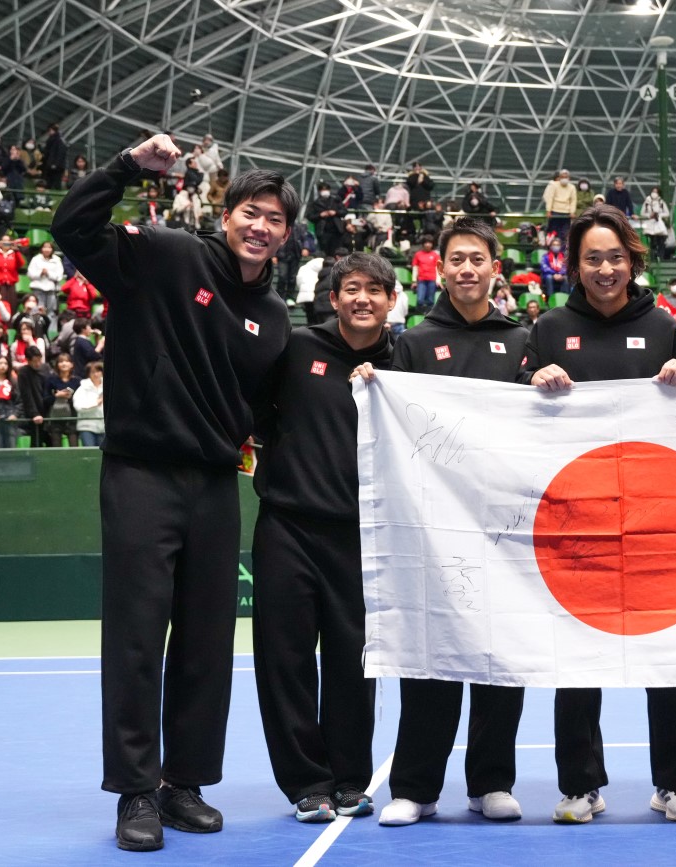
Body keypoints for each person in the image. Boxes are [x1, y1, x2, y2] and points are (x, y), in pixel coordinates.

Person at [52, 133, 296, 851]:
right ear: (227, 216)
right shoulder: (166, 254)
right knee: (135, 637)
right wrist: (127, 168)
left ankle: (183, 783)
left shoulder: (276, 317)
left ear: (286, 234)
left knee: (205, 641)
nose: (260, 227)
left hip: (218, 485)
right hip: (140, 473)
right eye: (250, 212)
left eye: (275, 219)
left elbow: (273, 412)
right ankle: (134, 789)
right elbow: (72, 229)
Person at [518, 204, 676, 824]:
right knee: (577, 662)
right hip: (578, 526)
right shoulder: (546, 328)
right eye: (592, 257)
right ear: (576, 264)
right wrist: (532, 377)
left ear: (633, 261)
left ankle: (675, 784)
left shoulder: (663, 328)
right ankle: (580, 786)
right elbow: (512, 415)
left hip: (655, 525)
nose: (604, 268)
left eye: (615, 257)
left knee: (667, 659)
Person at [359, 219, 530, 827]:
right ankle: (415, 787)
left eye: (476, 259)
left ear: (493, 269)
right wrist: (370, 386)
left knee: (502, 657)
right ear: (440, 269)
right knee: (429, 653)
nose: (465, 268)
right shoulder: (411, 342)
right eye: (455, 258)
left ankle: (491, 783)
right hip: (432, 527)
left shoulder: (521, 340)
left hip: (506, 530)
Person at [249, 253, 395, 825]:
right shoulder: (299, 347)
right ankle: (306, 783)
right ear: (332, 300)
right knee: (284, 659)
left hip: (363, 537)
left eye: (374, 290)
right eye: (351, 289)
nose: (362, 299)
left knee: (353, 663)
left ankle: (351, 780)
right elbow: (259, 412)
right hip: (287, 527)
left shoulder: (402, 362)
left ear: (391, 301)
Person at [16, 345, 53, 447]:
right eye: (34, 361)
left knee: (51, 441)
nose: (37, 364)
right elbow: (26, 395)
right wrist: (34, 413)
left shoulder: (46, 368)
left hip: (47, 410)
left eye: (39, 360)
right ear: (28, 360)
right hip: (34, 413)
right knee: (37, 440)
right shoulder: (24, 372)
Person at [46, 353, 81, 448]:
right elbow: (45, 399)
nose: (64, 364)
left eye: (67, 361)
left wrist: (70, 397)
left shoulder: (77, 381)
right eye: (61, 361)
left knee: (74, 448)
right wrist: (57, 396)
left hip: (72, 418)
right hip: (55, 418)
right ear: (57, 364)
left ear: (72, 364)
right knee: (56, 448)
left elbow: (81, 399)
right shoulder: (51, 380)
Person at [0, 233, 27, 308]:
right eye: (4, 241)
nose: (6, 243)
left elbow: (21, 264)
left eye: (8, 241)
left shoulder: (14, 253)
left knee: (11, 304)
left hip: (10, 285)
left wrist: (16, 251)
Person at [27, 241, 65, 316]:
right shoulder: (36, 259)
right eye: (45, 247)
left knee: (51, 312)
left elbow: (59, 276)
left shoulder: (57, 260)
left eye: (49, 247)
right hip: (38, 289)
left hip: (52, 290)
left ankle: (51, 327)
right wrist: (40, 273)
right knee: (38, 310)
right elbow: (30, 274)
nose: (47, 249)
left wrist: (48, 273)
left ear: (52, 249)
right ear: (41, 249)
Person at [72, 360, 105, 447]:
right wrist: (95, 403)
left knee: (102, 455)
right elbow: (78, 406)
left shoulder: (108, 386)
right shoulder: (82, 388)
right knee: (89, 454)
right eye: (92, 372)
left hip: (104, 427)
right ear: (88, 374)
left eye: (98, 371)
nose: (96, 374)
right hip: (86, 427)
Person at [640, 187, 671, 261]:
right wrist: (649, 215)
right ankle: (652, 258)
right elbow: (642, 213)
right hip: (649, 225)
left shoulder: (661, 202)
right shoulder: (647, 201)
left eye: (656, 192)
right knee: (651, 243)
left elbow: (667, 213)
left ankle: (660, 257)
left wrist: (659, 215)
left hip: (659, 225)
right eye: (653, 191)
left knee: (661, 241)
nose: (654, 193)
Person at [410, 235, 441, 308]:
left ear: (432, 244)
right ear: (423, 244)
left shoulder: (435, 255)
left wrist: (438, 281)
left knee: (431, 301)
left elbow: (438, 268)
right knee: (420, 300)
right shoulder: (418, 254)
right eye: (426, 243)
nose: (428, 245)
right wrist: (414, 281)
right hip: (421, 280)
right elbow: (415, 268)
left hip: (432, 280)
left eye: (430, 243)